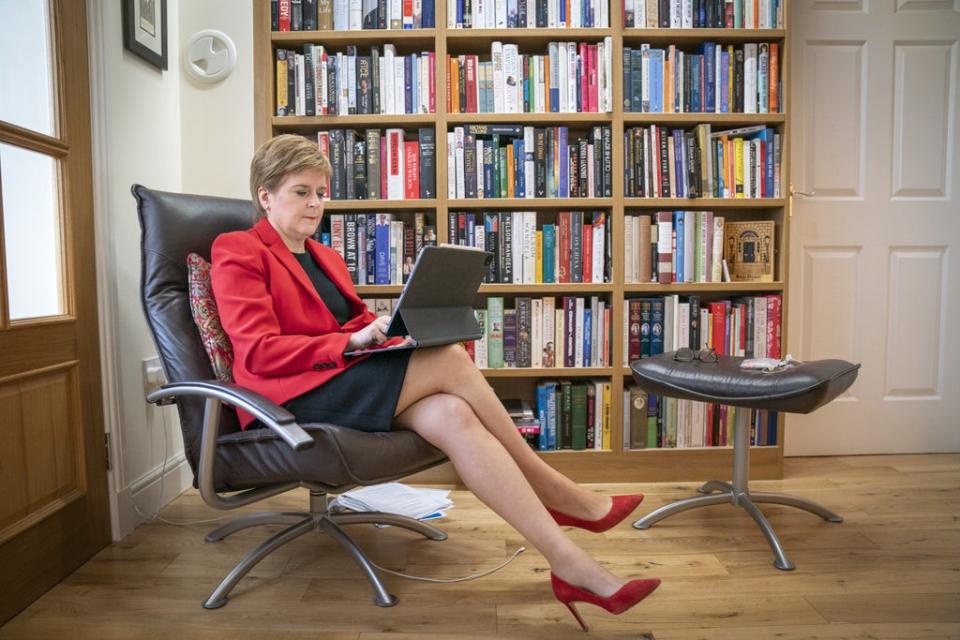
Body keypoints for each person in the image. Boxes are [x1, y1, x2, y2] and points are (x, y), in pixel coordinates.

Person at [211, 134, 659, 630]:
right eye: (301, 191)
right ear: (265, 196)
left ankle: (569, 563)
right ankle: (556, 489)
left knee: (453, 413)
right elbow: (256, 350)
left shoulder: (326, 257)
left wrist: (388, 332)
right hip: (289, 395)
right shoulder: (239, 249)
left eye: (322, 191)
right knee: (448, 359)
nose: (316, 202)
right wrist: (353, 344)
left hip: (338, 380)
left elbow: (350, 322)